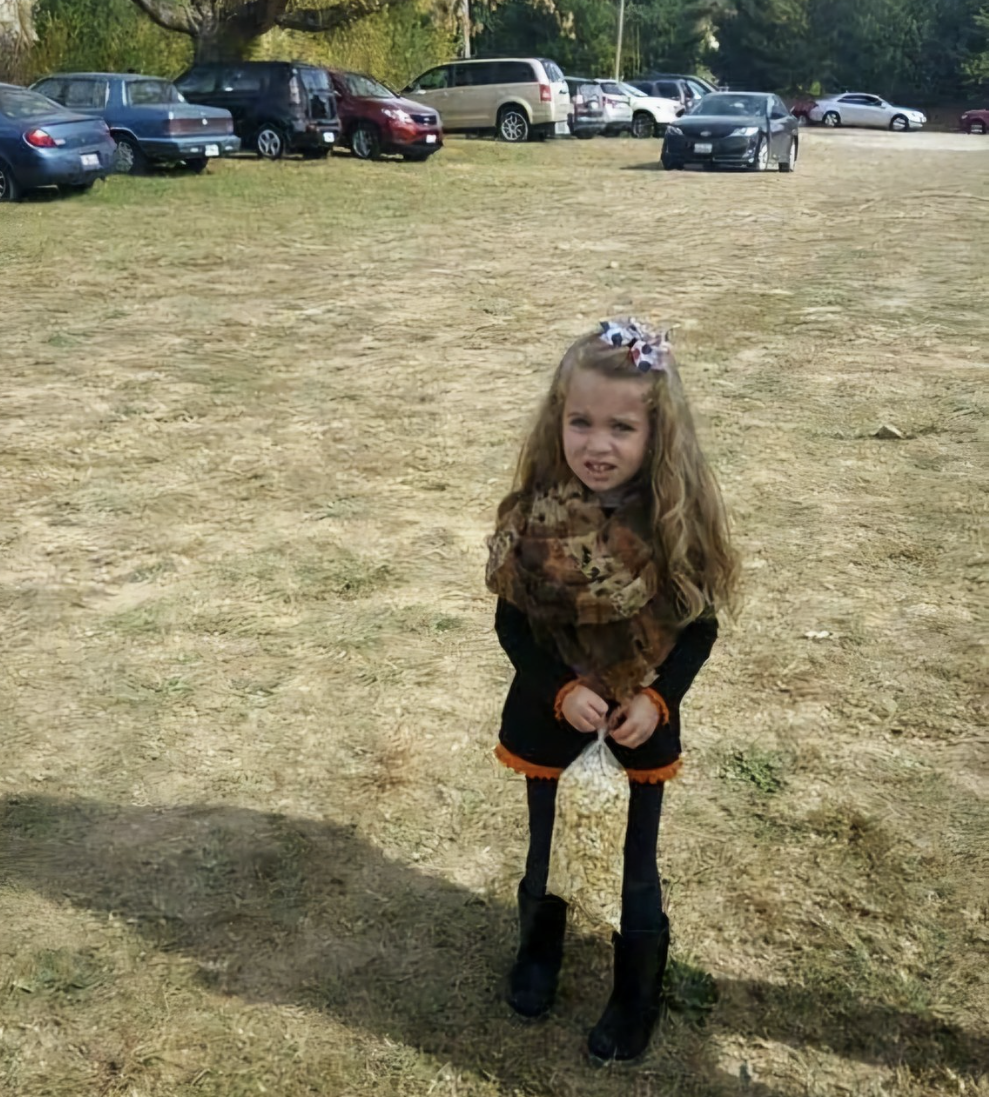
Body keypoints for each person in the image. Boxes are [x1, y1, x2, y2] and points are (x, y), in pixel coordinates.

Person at [485, 318, 739, 1063]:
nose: (597, 444)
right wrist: (559, 690)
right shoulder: (534, 518)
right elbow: (513, 624)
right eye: (581, 422)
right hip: (549, 723)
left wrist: (657, 700)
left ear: (656, 434)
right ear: (556, 420)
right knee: (547, 850)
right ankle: (539, 953)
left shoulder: (674, 523)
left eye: (621, 427)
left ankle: (635, 995)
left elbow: (697, 631)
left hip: (637, 729)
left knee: (634, 865)